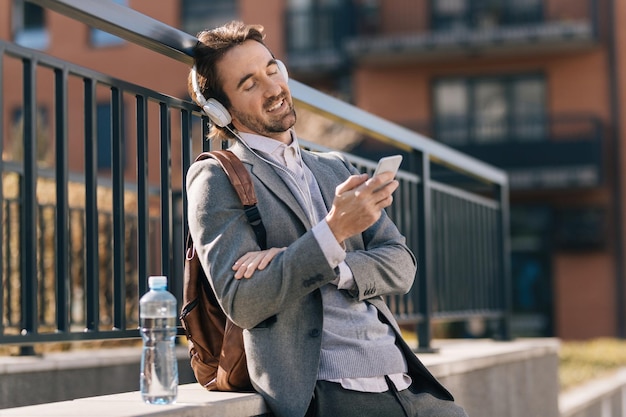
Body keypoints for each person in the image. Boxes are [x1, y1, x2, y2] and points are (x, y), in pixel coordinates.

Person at [186, 20, 468, 417]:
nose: (273, 89)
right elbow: (243, 302)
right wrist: (333, 231)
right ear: (221, 109)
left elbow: (402, 266)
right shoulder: (216, 176)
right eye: (249, 84)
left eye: (272, 70)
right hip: (329, 393)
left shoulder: (334, 167)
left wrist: (323, 260)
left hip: (409, 383)